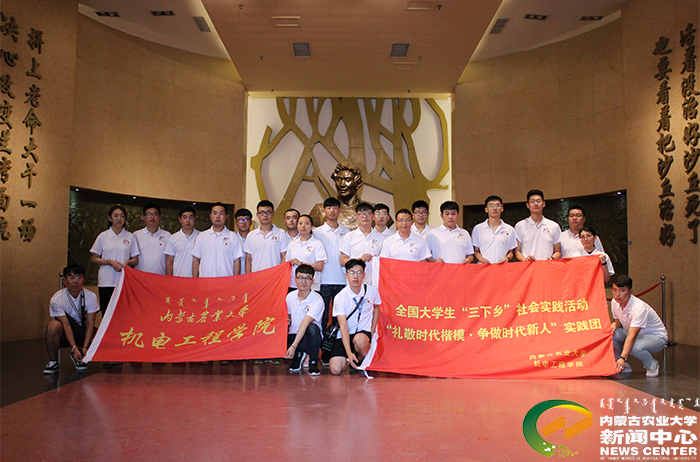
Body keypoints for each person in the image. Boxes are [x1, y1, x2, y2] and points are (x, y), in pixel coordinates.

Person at [329, 259, 382, 375]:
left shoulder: (372, 291)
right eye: (352, 272)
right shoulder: (340, 297)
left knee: (360, 340)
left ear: (364, 275)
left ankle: (361, 359)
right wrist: (348, 352)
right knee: (335, 369)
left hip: (363, 333)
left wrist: (373, 328)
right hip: (345, 335)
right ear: (346, 275)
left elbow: (377, 307)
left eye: (359, 272)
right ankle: (350, 359)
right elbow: (343, 326)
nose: (355, 276)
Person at [313, 197, 350, 365]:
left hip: (342, 281)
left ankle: (332, 352)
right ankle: (318, 352)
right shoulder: (317, 232)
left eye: (335, 208)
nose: (332, 211)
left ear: (339, 210)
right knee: (320, 318)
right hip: (323, 281)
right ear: (324, 211)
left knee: (338, 320)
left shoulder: (347, 232)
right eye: (328, 208)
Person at [43, 265, 99, 374]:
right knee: (52, 326)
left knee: (102, 337)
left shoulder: (91, 296)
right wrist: (74, 348)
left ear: (84, 280)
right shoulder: (57, 299)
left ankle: (82, 355)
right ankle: (53, 361)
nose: (75, 281)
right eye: (71, 278)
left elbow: (90, 322)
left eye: (78, 278)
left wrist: (85, 346)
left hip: (83, 330)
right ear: (65, 280)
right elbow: (66, 324)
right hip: (65, 332)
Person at [610, 274, 668, 377]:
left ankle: (652, 365)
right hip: (635, 334)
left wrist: (623, 358)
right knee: (613, 335)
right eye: (615, 290)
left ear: (630, 292)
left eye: (622, 291)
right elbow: (618, 320)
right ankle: (623, 367)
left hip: (656, 337)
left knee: (634, 347)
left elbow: (632, 336)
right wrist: (615, 324)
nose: (617, 294)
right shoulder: (614, 302)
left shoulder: (638, 308)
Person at [90, 205, 140, 316]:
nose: (119, 219)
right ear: (110, 218)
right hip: (106, 281)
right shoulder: (103, 236)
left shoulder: (130, 237)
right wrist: (109, 262)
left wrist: (128, 262)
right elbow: (94, 258)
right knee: (107, 314)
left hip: (124, 281)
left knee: (123, 314)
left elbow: (135, 259)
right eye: (116, 216)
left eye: (122, 216)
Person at [285, 264, 324, 376]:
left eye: (307, 278)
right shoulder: (290, 296)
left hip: (310, 338)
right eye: (300, 278)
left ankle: (313, 360)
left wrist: (293, 346)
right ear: (295, 279)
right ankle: (299, 355)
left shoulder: (317, 300)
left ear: (312, 281)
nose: (303, 281)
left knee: (312, 328)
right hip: (293, 334)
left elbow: (305, 322)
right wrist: (287, 321)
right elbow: (288, 316)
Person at [191, 202, 243, 277]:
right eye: (215, 213)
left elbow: (237, 260)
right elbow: (196, 259)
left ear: (226, 217)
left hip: (226, 280)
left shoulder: (233, 236)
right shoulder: (202, 236)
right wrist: (195, 280)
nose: (218, 216)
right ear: (210, 216)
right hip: (205, 280)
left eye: (221, 213)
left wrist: (235, 280)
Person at [340, 202, 386, 285]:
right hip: (354, 283)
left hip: (374, 283)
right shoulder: (349, 236)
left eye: (368, 213)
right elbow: (342, 261)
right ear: (357, 217)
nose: (365, 216)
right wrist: (360, 260)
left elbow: (385, 262)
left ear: (373, 216)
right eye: (361, 214)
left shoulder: (381, 238)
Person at [310, 163, 363, 230]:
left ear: (358, 184)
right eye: (339, 180)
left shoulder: (370, 211)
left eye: (348, 180)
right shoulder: (320, 211)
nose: (342, 184)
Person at [514, 189, 562, 261]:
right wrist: (524, 260)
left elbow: (557, 251)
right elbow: (517, 251)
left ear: (544, 204)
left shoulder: (554, 226)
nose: (536, 204)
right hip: (528, 266)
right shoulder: (520, 226)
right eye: (532, 201)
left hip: (547, 266)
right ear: (528, 205)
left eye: (538, 201)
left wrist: (552, 258)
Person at [244, 200, 290, 274]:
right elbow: (248, 259)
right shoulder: (251, 235)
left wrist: (280, 274)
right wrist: (249, 277)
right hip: (256, 276)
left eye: (268, 212)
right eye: (262, 212)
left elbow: (284, 256)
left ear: (273, 214)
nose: (265, 215)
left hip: (275, 276)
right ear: (257, 214)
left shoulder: (281, 233)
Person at [286, 214, 327, 291]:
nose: (303, 226)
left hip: (311, 285)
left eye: (306, 223)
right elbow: (287, 265)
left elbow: (320, 267)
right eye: (300, 223)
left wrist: (300, 263)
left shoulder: (317, 243)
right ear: (297, 226)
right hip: (294, 284)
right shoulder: (292, 244)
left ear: (311, 227)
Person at [471, 196, 515, 264]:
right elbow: (476, 251)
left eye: (497, 205)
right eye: (491, 206)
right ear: (486, 209)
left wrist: (507, 258)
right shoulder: (478, 229)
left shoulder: (510, 229)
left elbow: (511, 252)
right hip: (483, 267)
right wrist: (481, 259)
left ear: (502, 208)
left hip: (502, 267)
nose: (494, 208)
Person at [133, 202, 171, 274]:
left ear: (160, 217)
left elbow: (170, 260)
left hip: (160, 277)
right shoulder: (136, 235)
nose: (152, 217)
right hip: (140, 277)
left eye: (155, 214)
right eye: (149, 214)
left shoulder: (168, 236)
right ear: (143, 218)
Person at [165, 205, 200, 277]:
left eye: (191, 217)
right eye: (185, 217)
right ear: (180, 219)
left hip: (196, 279)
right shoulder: (173, 238)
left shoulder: (201, 237)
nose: (188, 221)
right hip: (178, 279)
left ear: (195, 219)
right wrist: (169, 280)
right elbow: (169, 262)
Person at [234, 208, 253, 274]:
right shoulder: (232, 239)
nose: (243, 222)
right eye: (240, 220)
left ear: (251, 222)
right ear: (236, 223)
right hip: (235, 277)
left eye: (246, 219)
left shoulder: (255, 239)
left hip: (254, 276)